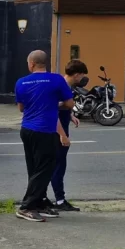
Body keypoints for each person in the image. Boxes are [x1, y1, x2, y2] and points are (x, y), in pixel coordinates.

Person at [15, 50, 75, 222]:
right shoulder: (56, 79)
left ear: (31, 64)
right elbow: (70, 104)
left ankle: (40, 202)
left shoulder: (21, 82)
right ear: (44, 63)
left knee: (34, 168)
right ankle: (27, 206)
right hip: (45, 130)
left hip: (27, 130)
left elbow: (21, 108)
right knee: (44, 169)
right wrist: (54, 104)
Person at [50, 60, 88, 212]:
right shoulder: (62, 85)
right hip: (58, 130)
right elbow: (54, 107)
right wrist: (62, 135)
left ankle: (57, 198)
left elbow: (64, 105)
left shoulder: (65, 85)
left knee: (59, 165)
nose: (82, 79)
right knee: (58, 166)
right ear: (77, 74)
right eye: (82, 75)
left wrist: (71, 114)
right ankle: (59, 200)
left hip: (63, 125)